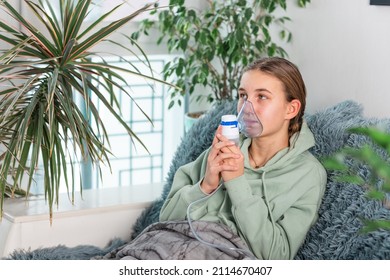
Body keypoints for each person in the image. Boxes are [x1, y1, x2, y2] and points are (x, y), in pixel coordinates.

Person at [159, 57, 327, 260]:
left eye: (262, 97)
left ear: (291, 109)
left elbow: (276, 256)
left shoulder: (307, 175)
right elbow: (166, 221)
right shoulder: (219, 153)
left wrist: (237, 183)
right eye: (243, 95)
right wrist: (206, 185)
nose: (247, 107)